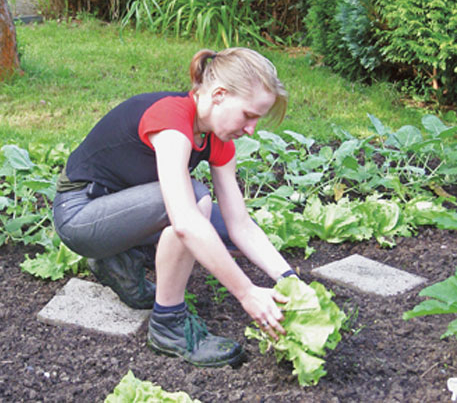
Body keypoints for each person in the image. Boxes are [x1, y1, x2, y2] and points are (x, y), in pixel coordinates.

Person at [53, 47, 298, 368]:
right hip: (80, 215)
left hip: (118, 213)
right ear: (220, 95)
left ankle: (119, 261)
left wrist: (290, 279)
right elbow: (183, 220)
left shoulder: (218, 140)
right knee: (195, 203)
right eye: (249, 115)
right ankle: (169, 324)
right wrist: (247, 293)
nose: (251, 128)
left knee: (220, 232)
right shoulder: (171, 119)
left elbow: (241, 224)